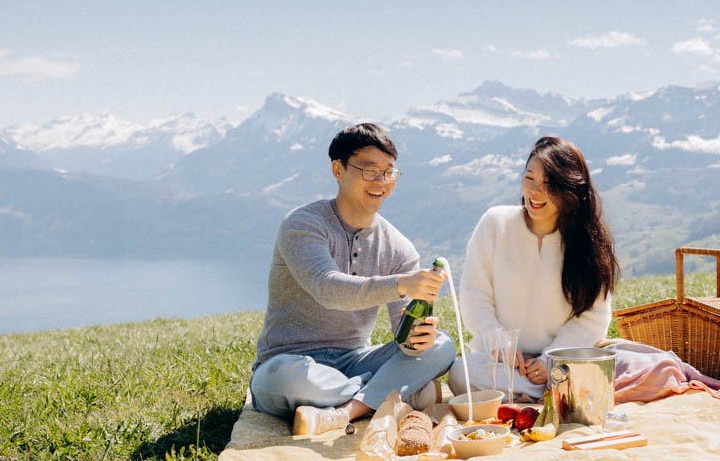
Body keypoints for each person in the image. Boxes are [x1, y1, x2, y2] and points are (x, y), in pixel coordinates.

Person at [249, 122, 457, 435]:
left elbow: (403, 335)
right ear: (338, 169)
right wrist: (401, 283)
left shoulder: (399, 248)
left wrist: (416, 342)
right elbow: (327, 288)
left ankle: (345, 411)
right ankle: (397, 391)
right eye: (370, 170)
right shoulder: (303, 224)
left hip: (356, 359)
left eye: (389, 172)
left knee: (442, 345)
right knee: (288, 378)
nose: (382, 181)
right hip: (290, 362)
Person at [450, 136, 620, 402]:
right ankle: (563, 392)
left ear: (571, 189)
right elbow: (474, 295)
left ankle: (547, 389)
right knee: (461, 374)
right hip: (503, 363)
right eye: (530, 178)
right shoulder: (495, 224)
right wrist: (499, 343)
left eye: (549, 184)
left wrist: (552, 359)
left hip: (563, 359)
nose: (535, 191)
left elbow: (593, 318)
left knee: (611, 362)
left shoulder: (587, 243)